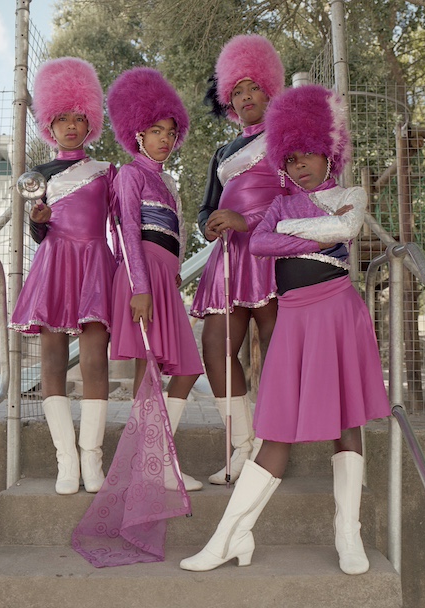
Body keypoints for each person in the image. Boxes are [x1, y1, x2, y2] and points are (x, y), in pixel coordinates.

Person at [180, 84, 392, 575]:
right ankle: (228, 538)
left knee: (345, 424)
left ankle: (348, 535)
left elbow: (346, 229)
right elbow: (260, 247)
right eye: (290, 159)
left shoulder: (350, 194)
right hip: (294, 317)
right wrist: (305, 225)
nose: (300, 167)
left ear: (329, 153)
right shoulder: (279, 205)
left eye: (309, 156)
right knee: (275, 430)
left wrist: (292, 230)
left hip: (338, 311)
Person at [9, 58, 117, 495]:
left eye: (79, 118)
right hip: (54, 264)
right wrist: (38, 221)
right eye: (61, 119)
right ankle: (66, 460)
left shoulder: (107, 171)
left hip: (95, 263)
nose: (71, 126)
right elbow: (39, 234)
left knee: (95, 361)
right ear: (48, 126)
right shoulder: (38, 177)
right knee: (52, 361)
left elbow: (119, 224)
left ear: (90, 122)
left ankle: (92, 458)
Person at [190, 35, 288, 484]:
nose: (246, 97)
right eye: (237, 92)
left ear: (270, 88)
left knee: (276, 350)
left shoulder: (288, 137)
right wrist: (209, 224)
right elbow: (207, 208)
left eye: (252, 87)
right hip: (227, 259)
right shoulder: (222, 152)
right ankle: (241, 448)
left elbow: (305, 196)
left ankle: (272, 451)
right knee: (215, 348)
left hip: (271, 250)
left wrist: (249, 220)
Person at [107, 67, 205, 491]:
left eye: (170, 130)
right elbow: (128, 231)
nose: (164, 138)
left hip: (165, 278)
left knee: (185, 368)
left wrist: (177, 268)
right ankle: (155, 464)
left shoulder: (167, 182)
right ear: (137, 135)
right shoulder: (130, 174)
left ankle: (155, 456)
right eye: (154, 130)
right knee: (147, 372)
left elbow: (175, 230)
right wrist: (142, 289)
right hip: (141, 277)